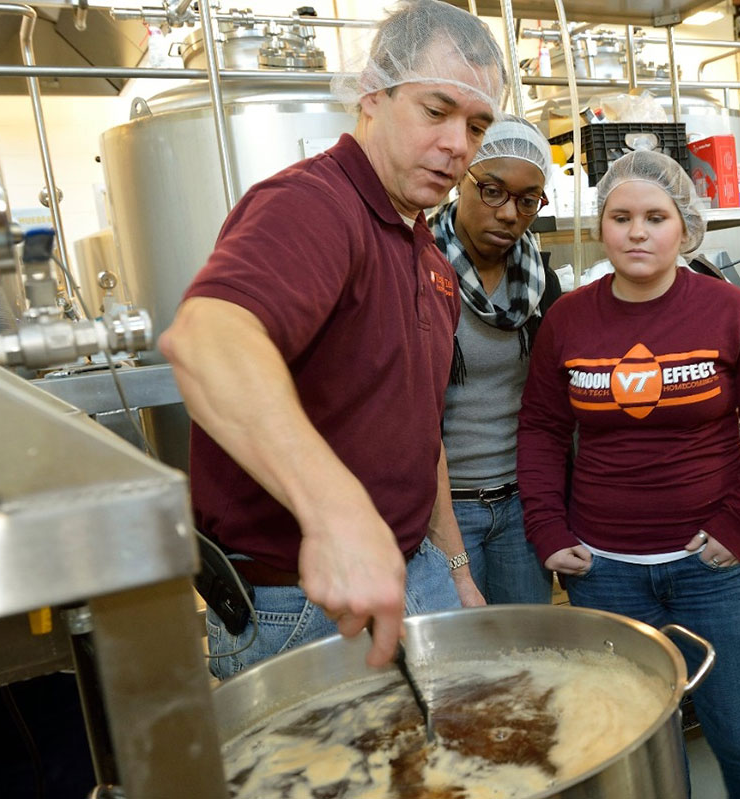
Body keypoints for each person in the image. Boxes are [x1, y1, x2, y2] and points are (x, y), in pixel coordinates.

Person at [158, 0, 507, 678]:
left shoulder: (425, 247)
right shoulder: (313, 205)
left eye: (477, 125)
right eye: (436, 112)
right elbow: (207, 339)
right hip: (303, 602)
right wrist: (336, 513)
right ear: (373, 93)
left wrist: (452, 563)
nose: (458, 145)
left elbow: (417, 426)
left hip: (415, 570)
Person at [517, 150, 740, 798]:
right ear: (602, 225)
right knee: (635, 743)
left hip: (715, 572)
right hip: (605, 574)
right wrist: (547, 526)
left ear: (684, 226)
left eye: (655, 216)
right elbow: (540, 427)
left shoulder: (728, 310)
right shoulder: (568, 319)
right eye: (621, 217)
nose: (637, 231)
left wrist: (739, 521)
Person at [430, 115, 559, 604]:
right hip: (443, 508)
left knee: (525, 659)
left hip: (520, 504)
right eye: (492, 191)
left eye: (528, 200)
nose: (509, 214)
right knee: (460, 666)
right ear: (461, 181)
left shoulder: (540, 283)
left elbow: (549, 405)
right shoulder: (418, 271)